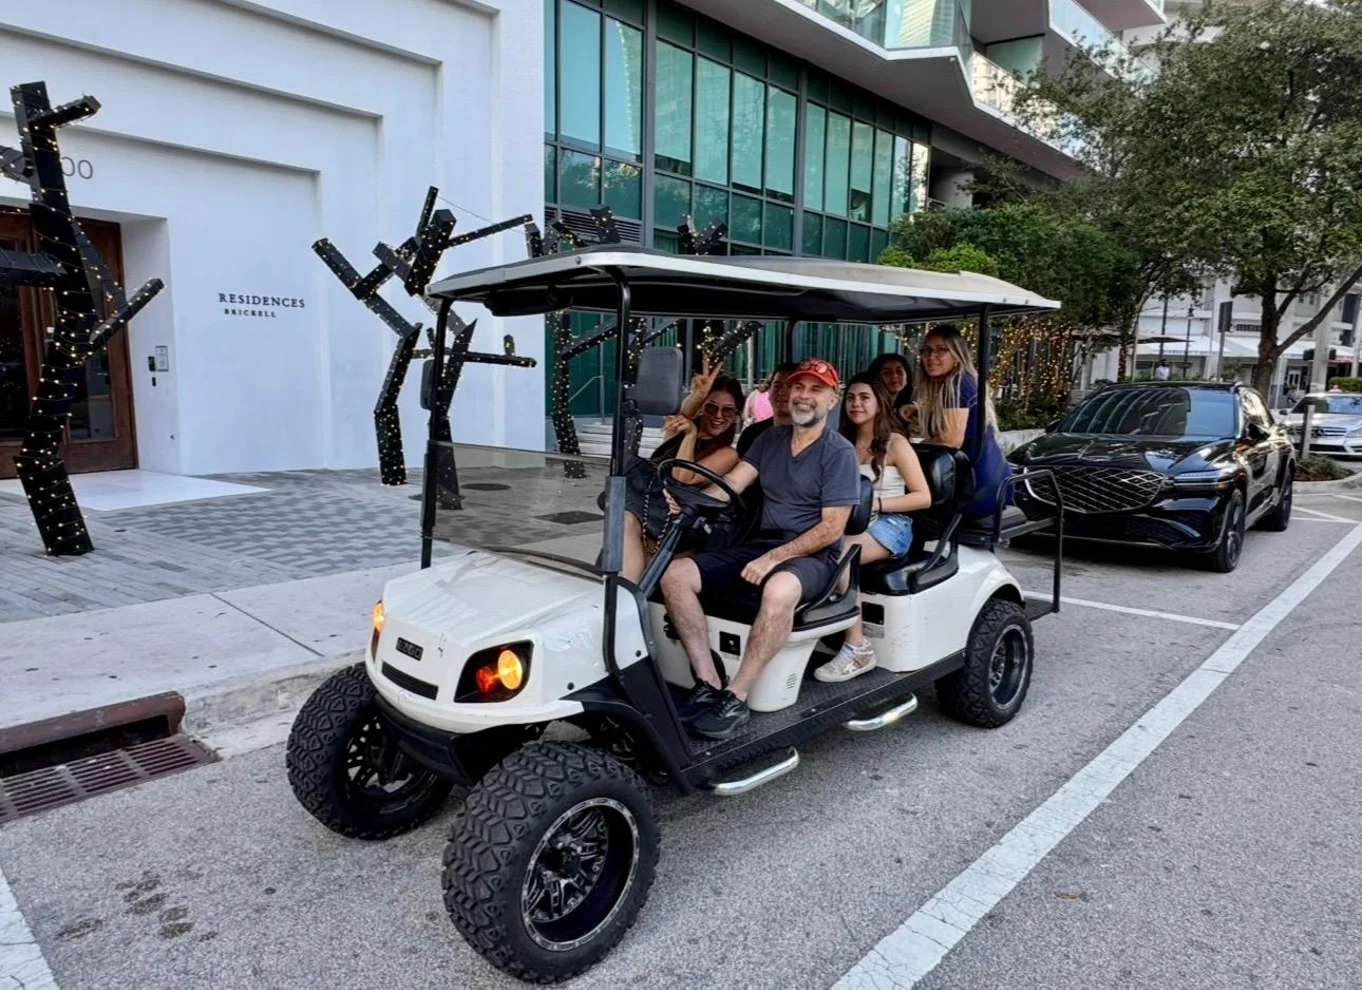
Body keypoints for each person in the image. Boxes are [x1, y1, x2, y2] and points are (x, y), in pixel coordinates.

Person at [659, 358, 861, 740]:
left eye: (816, 390)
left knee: (779, 589)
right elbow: (730, 485)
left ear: (832, 400)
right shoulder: (770, 440)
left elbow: (831, 528)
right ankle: (708, 681)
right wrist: (685, 503)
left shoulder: (839, 453)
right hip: (764, 544)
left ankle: (736, 696)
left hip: (814, 557)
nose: (804, 396)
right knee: (675, 575)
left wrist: (774, 558)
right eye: (799, 387)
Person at [813, 375, 932, 683]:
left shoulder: (895, 443)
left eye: (864, 397)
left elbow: (923, 496)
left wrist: (876, 504)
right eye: (851, 397)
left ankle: (858, 647)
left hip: (891, 524)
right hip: (849, 522)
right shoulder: (840, 443)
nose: (856, 404)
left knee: (840, 553)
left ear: (879, 403)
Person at [621, 375, 743, 583]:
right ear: (702, 408)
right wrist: (697, 396)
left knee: (627, 521)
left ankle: (626, 596)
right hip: (650, 514)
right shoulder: (679, 433)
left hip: (681, 527)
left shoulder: (728, 454)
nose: (718, 416)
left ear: (736, 416)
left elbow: (683, 476)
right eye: (711, 407)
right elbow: (680, 416)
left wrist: (691, 435)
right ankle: (624, 594)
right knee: (624, 523)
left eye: (728, 411)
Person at [915, 323, 1010, 521]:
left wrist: (911, 448)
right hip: (994, 480)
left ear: (957, 355)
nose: (931, 357)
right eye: (927, 350)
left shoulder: (958, 384)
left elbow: (949, 441)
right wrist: (917, 409)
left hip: (976, 488)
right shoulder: (963, 381)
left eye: (941, 350)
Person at [736, 362, 797, 456]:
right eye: (777, 386)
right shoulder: (752, 434)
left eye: (789, 386)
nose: (782, 392)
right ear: (769, 392)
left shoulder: (810, 435)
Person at [866, 352, 915, 431]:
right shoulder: (870, 408)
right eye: (886, 373)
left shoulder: (908, 409)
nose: (894, 376)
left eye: (899, 371)